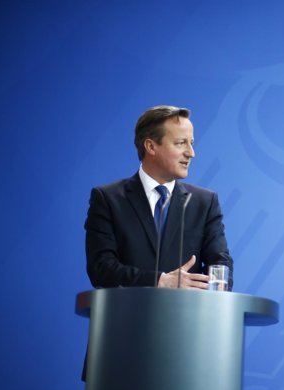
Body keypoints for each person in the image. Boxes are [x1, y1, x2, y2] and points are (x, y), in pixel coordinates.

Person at [85, 105, 233, 290]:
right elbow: (101, 269)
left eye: (191, 143)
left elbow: (220, 265)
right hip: (127, 315)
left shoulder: (205, 202)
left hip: (188, 316)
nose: (191, 153)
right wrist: (159, 281)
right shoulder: (108, 199)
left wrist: (214, 289)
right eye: (180, 143)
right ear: (151, 146)